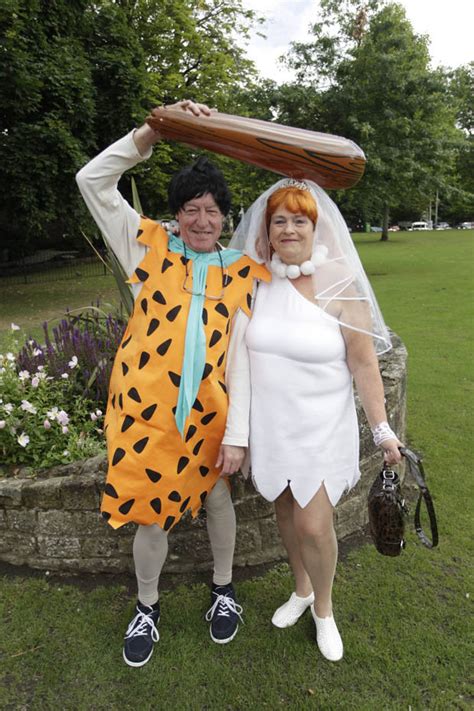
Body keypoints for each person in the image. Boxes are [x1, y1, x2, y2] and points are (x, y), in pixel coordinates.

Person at [76, 100, 270, 667]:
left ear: (224, 216)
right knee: (149, 511)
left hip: (210, 417)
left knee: (216, 500)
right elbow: (92, 179)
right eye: (191, 209)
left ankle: (224, 590)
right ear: (176, 215)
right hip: (148, 416)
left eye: (212, 210)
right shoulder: (147, 249)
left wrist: (236, 434)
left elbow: (241, 362)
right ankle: (147, 605)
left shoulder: (240, 272)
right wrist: (151, 133)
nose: (202, 221)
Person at [227, 178, 403, 662]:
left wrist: (382, 429)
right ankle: (300, 589)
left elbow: (364, 363)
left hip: (321, 427)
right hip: (271, 426)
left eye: (298, 220)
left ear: (315, 226)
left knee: (314, 525)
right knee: (284, 511)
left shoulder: (342, 282)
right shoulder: (258, 279)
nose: (288, 229)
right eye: (278, 220)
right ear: (268, 229)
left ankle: (323, 609)